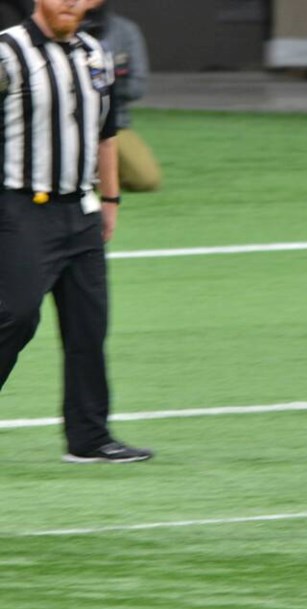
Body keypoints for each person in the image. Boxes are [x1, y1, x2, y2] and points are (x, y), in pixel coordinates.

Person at [0, 0, 152, 462]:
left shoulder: (95, 53)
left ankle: (89, 437)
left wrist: (110, 200)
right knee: (16, 315)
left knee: (89, 324)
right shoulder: (8, 52)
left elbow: (107, 134)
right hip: (20, 206)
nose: (69, 1)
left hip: (80, 209)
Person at [83, 0, 160, 192]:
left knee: (146, 179)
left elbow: (137, 88)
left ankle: (102, 169)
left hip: (115, 122)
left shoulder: (126, 31)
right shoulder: (62, 30)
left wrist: (95, 85)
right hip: (67, 122)